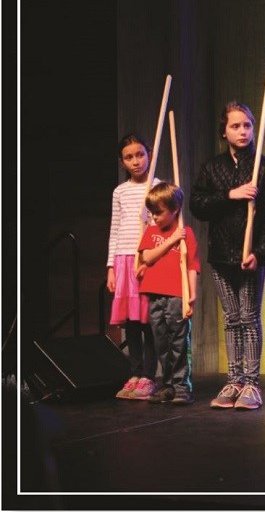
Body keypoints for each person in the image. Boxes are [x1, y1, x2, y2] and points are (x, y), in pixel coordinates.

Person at [190, 101, 265, 411]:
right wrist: (231, 195)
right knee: (231, 320)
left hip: (250, 257)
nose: (243, 131)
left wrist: (259, 252)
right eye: (236, 126)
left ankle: (252, 383)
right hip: (221, 255)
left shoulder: (263, 167)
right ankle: (234, 380)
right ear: (224, 130)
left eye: (247, 125)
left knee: (249, 318)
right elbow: (197, 205)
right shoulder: (212, 167)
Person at [106, 133, 159, 401]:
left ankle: (150, 376)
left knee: (148, 320)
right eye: (129, 157)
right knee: (131, 322)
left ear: (149, 154)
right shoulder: (120, 191)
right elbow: (115, 229)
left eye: (140, 154)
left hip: (148, 260)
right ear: (122, 161)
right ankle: (135, 373)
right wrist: (111, 267)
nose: (136, 161)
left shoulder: (158, 187)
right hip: (123, 260)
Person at [137, 182, 200, 405]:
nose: (154, 217)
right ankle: (167, 385)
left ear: (175, 209)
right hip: (155, 295)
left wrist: (191, 295)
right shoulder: (151, 231)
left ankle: (182, 386)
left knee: (179, 342)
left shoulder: (186, 233)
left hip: (176, 294)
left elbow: (192, 266)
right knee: (161, 343)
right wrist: (172, 240)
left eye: (159, 212)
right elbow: (148, 257)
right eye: (152, 212)